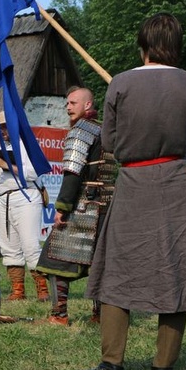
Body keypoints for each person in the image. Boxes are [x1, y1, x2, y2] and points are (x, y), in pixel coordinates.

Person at [81, 13, 186, 370]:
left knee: (117, 274)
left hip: (134, 183)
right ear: (176, 47)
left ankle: (111, 366)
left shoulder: (119, 84)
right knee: (177, 273)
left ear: (144, 45)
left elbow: (110, 143)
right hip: (178, 186)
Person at [36, 87, 115, 326]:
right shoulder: (106, 131)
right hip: (108, 206)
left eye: (72, 103)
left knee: (55, 259)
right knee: (101, 263)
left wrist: (62, 207)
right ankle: (100, 316)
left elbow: (72, 173)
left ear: (87, 105)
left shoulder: (80, 131)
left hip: (84, 206)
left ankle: (59, 316)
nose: (68, 107)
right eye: (67, 104)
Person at [0, 111, 49, 302]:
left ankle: (42, 289)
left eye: (5, 127)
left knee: (30, 243)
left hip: (26, 195)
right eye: (0, 127)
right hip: (5, 198)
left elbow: (33, 173)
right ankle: (18, 290)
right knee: (9, 245)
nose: (2, 130)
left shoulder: (27, 144)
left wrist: (6, 164)